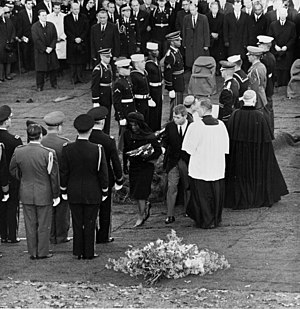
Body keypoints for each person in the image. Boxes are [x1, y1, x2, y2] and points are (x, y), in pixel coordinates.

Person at [225, 90, 288, 209]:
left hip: (239, 157)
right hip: (256, 157)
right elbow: (267, 143)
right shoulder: (260, 116)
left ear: (243, 100)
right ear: (254, 100)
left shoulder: (235, 115)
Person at [60, 114, 109, 259]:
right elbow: (102, 172)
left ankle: (77, 251)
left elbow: (64, 172)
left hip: (73, 191)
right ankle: (89, 252)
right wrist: (105, 190)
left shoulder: (68, 148)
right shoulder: (97, 149)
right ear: (90, 130)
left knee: (77, 222)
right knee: (90, 222)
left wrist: (63, 189)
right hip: (92, 191)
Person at [10, 124, 60, 260]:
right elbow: (54, 176)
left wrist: (23, 178)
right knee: (44, 224)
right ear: (41, 136)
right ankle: (42, 252)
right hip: (44, 192)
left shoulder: (19, 151)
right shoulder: (48, 153)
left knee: (30, 224)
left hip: (26, 191)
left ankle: (32, 251)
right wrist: (56, 194)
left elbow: (12, 168)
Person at [182, 98, 229, 229]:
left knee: (201, 195)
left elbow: (188, 149)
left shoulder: (196, 126)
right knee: (216, 195)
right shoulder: (221, 125)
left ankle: (204, 220)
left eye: (197, 109)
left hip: (200, 166)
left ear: (202, 110)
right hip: (217, 165)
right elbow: (225, 147)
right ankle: (215, 219)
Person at [87, 106, 123, 244]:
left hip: (90, 178)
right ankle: (103, 236)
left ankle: (92, 233)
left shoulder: (86, 138)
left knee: (91, 210)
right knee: (105, 209)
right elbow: (115, 162)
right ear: (102, 122)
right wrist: (119, 179)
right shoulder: (108, 140)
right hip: (106, 178)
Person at [123, 112, 162, 227]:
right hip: (134, 166)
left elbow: (158, 151)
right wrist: (125, 165)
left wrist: (148, 158)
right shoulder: (127, 134)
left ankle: (140, 216)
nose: (134, 127)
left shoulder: (149, 135)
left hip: (146, 167)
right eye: (131, 125)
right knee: (135, 192)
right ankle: (145, 206)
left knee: (141, 192)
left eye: (136, 125)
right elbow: (126, 149)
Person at [41, 111, 70, 245]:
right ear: (59, 126)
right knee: (62, 212)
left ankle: (50, 236)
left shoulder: (40, 142)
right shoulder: (64, 143)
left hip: (43, 183)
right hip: (60, 182)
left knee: (47, 211)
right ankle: (61, 236)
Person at [162, 105, 191, 224]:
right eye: (174, 117)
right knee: (171, 186)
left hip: (187, 161)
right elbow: (165, 140)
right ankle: (170, 214)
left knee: (188, 186)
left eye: (177, 117)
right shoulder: (170, 126)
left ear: (184, 116)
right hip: (173, 161)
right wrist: (163, 148)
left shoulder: (192, 126)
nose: (175, 120)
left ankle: (189, 210)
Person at [0, 105, 22, 244]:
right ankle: (11, 235)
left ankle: (2, 234)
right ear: (6, 121)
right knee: (12, 206)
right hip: (11, 178)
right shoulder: (14, 140)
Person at [31, 9, 59, 91]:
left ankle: (54, 83)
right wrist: (44, 48)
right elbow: (36, 40)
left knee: (53, 68)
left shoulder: (51, 25)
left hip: (51, 50)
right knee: (40, 69)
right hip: (40, 51)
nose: (45, 17)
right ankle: (40, 86)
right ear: (39, 16)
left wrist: (51, 47)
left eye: (45, 15)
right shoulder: (35, 27)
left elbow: (54, 37)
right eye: (43, 15)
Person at [268, 7, 296, 86]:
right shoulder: (273, 24)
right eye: (281, 14)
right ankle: (277, 84)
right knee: (277, 69)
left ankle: (284, 85)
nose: (283, 16)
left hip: (286, 52)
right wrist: (275, 45)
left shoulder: (292, 25)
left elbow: (293, 38)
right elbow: (270, 36)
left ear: (286, 14)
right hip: (276, 51)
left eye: (284, 14)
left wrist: (286, 47)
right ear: (279, 14)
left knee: (285, 70)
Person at [113, 58, 136, 151]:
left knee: (129, 132)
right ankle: (121, 149)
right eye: (126, 68)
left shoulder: (127, 80)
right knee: (123, 133)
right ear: (120, 69)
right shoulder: (118, 83)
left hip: (130, 109)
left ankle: (127, 147)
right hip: (124, 111)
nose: (129, 70)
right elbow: (116, 102)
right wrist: (121, 117)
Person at [64, 2, 89, 84]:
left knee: (81, 61)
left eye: (77, 9)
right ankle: (73, 77)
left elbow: (86, 29)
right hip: (72, 42)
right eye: (74, 9)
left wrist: (81, 38)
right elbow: (66, 30)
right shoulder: (67, 18)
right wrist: (74, 38)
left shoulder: (84, 17)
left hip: (81, 42)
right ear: (71, 9)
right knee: (72, 61)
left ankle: (80, 77)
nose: (76, 10)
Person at [91, 48, 113, 134]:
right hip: (102, 97)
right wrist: (95, 100)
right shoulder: (98, 69)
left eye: (109, 56)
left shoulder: (109, 67)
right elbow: (95, 86)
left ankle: (106, 134)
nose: (109, 58)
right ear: (101, 57)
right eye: (107, 57)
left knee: (108, 119)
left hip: (108, 96)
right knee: (102, 119)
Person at [182, 3, 210, 69]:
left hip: (200, 43)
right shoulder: (186, 18)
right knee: (190, 61)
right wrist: (184, 43)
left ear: (196, 9)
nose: (192, 12)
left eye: (193, 10)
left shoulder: (203, 18)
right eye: (191, 10)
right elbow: (184, 31)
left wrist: (206, 44)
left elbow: (206, 31)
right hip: (190, 43)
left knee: (200, 61)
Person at [164, 31, 185, 121]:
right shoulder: (170, 55)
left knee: (179, 103)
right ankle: (173, 121)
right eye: (177, 40)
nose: (180, 41)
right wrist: (170, 88)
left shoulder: (176, 52)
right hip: (175, 83)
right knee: (175, 105)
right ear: (172, 42)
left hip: (179, 81)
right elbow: (168, 72)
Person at [258, 35, 276, 135]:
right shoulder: (269, 56)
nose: (259, 46)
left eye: (261, 44)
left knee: (267, 110)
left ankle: (269, 132)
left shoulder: (266, 58)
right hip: (269, 86)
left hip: (266, 87)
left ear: (266, 46)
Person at [145, 42, 163, 132]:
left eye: (157, 50)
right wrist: (149, 97)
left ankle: (157, 129)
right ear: (150, 52)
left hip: (158, 89)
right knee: (153, 113)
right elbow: (147, 82)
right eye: (154, 51)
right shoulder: (148, 64)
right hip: (152, 90)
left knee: (159, 111)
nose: (157, 52)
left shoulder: (156, 62)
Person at [16, 0, 37, 73]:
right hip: (25, 35)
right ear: (25, 4)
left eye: (31, 4)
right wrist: (20, 36)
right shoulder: (21, 13)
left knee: (34, 51)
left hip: (34, 35)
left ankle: (33, 66)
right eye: (28, 4)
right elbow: (19, 25)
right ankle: (26, 67)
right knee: (25, 51)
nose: (30, 5)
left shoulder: (35, 12)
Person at [130, 53, 150, 125]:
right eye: (142, 62)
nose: (144, 63)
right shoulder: (134, 75)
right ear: (136, 65)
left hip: (145, 100)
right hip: (139, 102)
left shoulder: (144, 73)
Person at [47, 2, 67, 73]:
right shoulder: (48, 17)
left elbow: (67, 28)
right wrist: (54, 38)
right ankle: (54, 71)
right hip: (53, 39)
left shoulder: (65, 16)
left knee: (62, 56)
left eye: (59, 8)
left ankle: (61, 70)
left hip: (62, 38)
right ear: (53, 8)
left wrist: (62, 37)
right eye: (56, 8)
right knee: (54, 56)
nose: (57, 10)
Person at [207, 1, 225, 74]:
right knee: (211, 55)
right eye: (213, 8)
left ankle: (218, 69)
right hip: (210, 39)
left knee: (219, 55)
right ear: (210, 8)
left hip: (219, 39)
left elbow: (223, 27)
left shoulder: (222, 16)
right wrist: (211, 34)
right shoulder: (207, 16)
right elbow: (206, 27)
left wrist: (218, 34)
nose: (215, 10)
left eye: (216, 8)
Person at [0, 6, 16, 82]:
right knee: (1, 61)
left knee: (9, 59)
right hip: (1, 44)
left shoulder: (8, 20)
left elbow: (13, 30)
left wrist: (12, 39)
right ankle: (1, 76)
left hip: (9, 42)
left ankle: (8, 74)